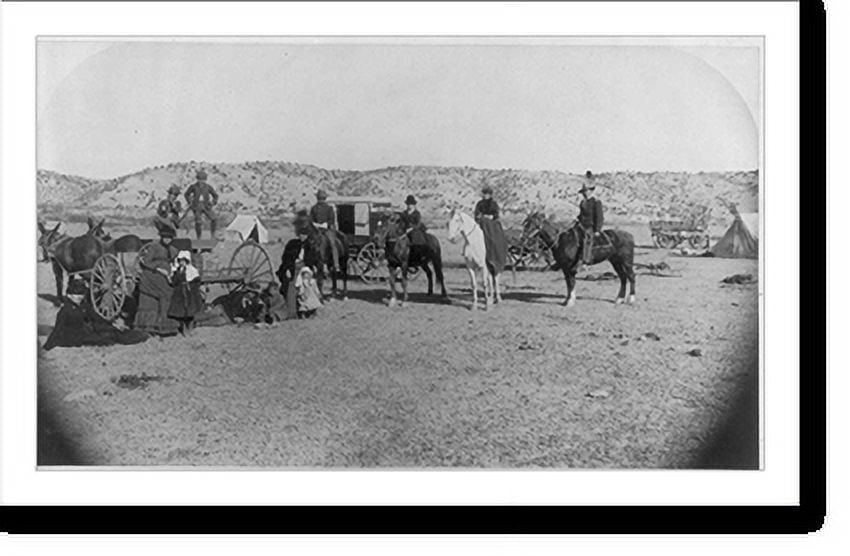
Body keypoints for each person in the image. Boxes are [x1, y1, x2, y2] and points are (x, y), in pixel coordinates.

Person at [43, 278, 149, 350]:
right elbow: (57, 329)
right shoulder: (65, 311)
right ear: (69, 295)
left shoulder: (83, 305)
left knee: (108, 329)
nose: (79, 297)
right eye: (76, 295)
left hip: (85, 332)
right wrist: (47, 347)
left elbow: (95, 316)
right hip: (74, 338)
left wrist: (112, 323)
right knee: (107, 337)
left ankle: (134, 334)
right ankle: (134, 337)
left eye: (81, 295)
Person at [135, 227, 179, 336]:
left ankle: (165, 322)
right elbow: (146, 262)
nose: (167, 240)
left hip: (165, 276)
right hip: (151, 275)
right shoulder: (154, 247)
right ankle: (161, 322)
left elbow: (174, 262)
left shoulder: (173, 250)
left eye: (169, 238)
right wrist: (159, 269)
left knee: (172, 290)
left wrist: (172, 271)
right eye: (165, 238)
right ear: (161, 237)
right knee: (166, 293)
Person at [168, 250, 203, 335]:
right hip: (179, 292)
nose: (182, 262)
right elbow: (174, 281)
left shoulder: (192, 270)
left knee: (190, 311)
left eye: (184, 260)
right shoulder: (177, 270)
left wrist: (191, 287)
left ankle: (190, 328)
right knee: (181, 312)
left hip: (189, 293)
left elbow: (196, 281)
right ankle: (184, 329)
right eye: (181, 261)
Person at [309, 189, 341, 273]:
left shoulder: (329, 208)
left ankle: (336, 264)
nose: (321, 200)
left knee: (332, 243)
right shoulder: (313, 208)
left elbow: (332, 220)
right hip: (316, 230)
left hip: (327, 230)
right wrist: (314, 224)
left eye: (322, 198)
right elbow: (310, 219)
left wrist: (326, 224)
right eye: (320, 198)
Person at [577, 170, 604, 266]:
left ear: (590, 191)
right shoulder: (583, 202)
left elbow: (599, 217)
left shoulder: (596, 202)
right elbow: (581, 215)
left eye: (586, 191)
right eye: (583, 192)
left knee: (586, 239)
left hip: (590, 226)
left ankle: (585, 261)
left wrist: (597, 230)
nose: (584, 193)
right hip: (581, 225)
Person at [184, 169, 219, 239]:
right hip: (196, 206)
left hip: (206, 205)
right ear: (197, 179)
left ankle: (213, 234)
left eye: (203, 180)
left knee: (214, 218)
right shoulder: (193, 186)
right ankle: (199, 237)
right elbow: (186, 194)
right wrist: (190, 202)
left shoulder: (208, 187)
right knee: (198, 222)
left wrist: (213, 202)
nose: (201, 181)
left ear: (205, 180)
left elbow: (215, 195)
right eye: (199, 179)